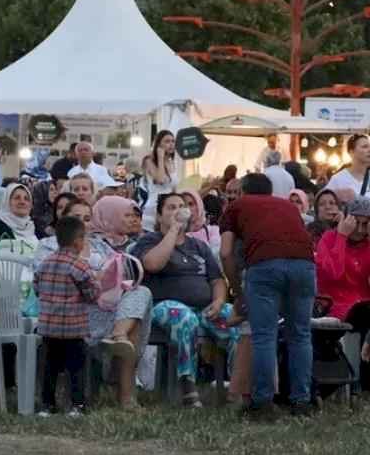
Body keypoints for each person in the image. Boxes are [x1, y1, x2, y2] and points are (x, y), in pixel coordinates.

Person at [33, 198, 151, 410]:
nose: (83, 223)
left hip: (107, 310)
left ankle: (119, 336)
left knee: (140, 292)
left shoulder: (100, 245)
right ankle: (123, 391)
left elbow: (118, 276)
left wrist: (113, 281)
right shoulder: (48, 246)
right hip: (71, 315)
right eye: (76, 217)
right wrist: (96, 278)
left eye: (87, 219)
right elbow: (45, 279)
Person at [219, 173, 317, 418]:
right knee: (301, 334)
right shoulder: (288, 206)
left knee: (264, 335)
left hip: (264, 266)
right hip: (305, 266)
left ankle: (262, 403)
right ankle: (301, 401)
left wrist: (237, 291)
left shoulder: (236, 206)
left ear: (242, 191)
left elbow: (225, 252)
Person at [132, 193, 235, 408]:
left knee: (235, 318)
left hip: (204, 307)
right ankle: (187, 386)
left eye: (182, 206)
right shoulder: (149, 241)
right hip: (164, 306)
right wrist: (172, 231)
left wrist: (218, 301)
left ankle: (238, 387)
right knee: (185, 318)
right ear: (159, 216)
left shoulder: (198, 246)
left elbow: (216, 280)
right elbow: (152, 264)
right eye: (171, 208)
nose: (178, 211)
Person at [34, 215, 98, 417]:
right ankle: (77, 405)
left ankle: (47, 404)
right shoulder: (80, 266)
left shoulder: (45, 263)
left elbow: (37, 288)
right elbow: (91, 294)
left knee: (50, 368)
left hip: (49, 327)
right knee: (76, 368)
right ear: (79, 241)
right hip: (73, 328)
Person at [315, 197, 370, 393]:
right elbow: (334, 274)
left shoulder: (367, 244)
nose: (362, 230)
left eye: (366, 224)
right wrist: (341, 237)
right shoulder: (329, 239)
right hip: (337, 306)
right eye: (358, 223)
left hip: (363, 305)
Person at [141, 130, 178, 229]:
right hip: (154, 207)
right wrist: (160, 158)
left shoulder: (172, 162)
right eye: (167, 141)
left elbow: (174, 189)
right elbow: (160, 180)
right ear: (158, 144)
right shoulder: (148, 161)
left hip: (168, 208)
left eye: (173, 141)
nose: (171, 144)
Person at [0, 183, 38, 255]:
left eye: (26, 199)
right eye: (17, 198)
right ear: (7, 202)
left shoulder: (34, 228)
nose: (22, 202)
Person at [323, 134, 370, 202]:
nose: (369, 150)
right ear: (351, 152)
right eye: (364, 147)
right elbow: (325, 201)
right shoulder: (338, 179)